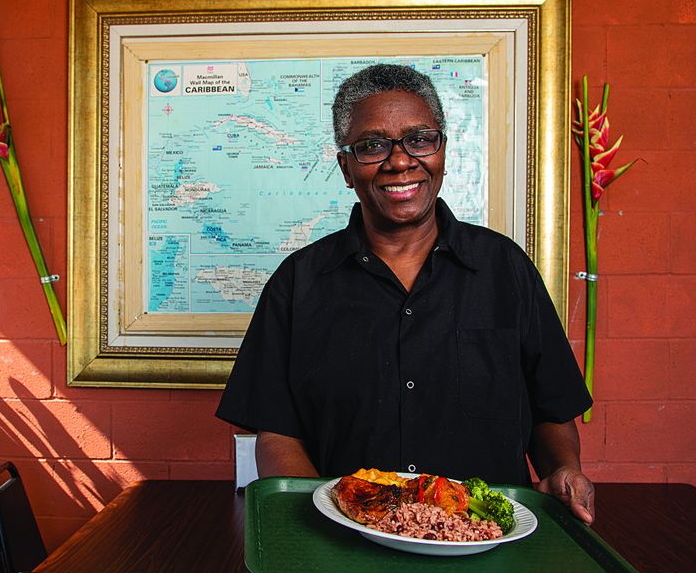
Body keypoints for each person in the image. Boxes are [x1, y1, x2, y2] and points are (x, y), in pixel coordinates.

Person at [215, 63, 595, 523]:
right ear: (346, 168)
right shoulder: (298, 282)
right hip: (348, 543)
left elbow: (551, 409)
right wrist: (324, 520)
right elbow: (276, 432)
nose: (399, 161)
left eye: (419, 139)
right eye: (372, 146)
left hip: (488, 542)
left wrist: (563, 468)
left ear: (442, 152)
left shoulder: (505, 270)